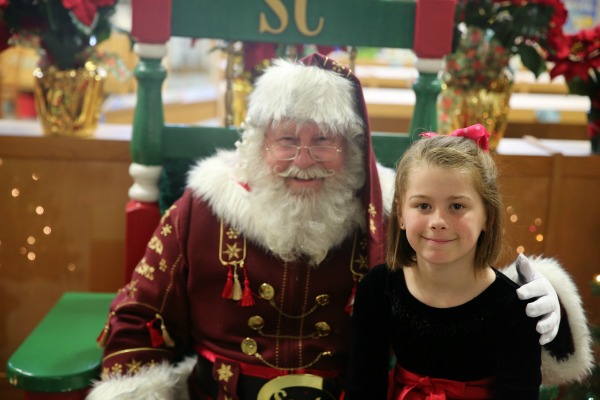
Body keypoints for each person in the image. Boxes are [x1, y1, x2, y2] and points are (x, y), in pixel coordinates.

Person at [88, 53, 592, 400]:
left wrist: (543, 304)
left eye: (324, 140)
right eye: (287, 139)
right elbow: (137, 317)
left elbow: (466, 300)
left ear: (352, 151)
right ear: (259, 146)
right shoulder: (202, 208)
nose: (302, 159)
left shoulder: (399, 218)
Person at [345, 129, 542, 399]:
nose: (438, 220)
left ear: (487, 216)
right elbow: (363, 389)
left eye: (457, 206)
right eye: (423, 206)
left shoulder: (513, 308)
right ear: (401, 214)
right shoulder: (380, 287)